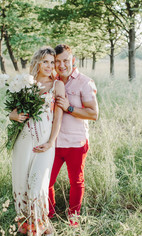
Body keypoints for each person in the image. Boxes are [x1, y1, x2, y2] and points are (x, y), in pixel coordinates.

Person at [9, 46, 65, 236]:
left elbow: (58, 117)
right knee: (23, 187)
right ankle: (34, 228)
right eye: (46, 62)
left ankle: (41, 231)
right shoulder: (26, 84)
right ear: (38, 63)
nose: (50, 66)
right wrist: (13, 116)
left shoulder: (57, 85)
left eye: (52, 62)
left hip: (44, 144)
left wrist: (51, 142)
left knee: (36, 188)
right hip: (23, 142)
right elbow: (13, 112)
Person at [48, 44, 98, 226]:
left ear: (73, 61)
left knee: (76, 181)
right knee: (47, 181)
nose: (62, 65)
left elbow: (93, 114)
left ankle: (73, 218)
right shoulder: (51, 81)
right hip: (54, 142)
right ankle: (49, 214)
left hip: (76, 143)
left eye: (65, 61)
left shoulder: (85, 82)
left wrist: (68, 107)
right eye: (57, 61)